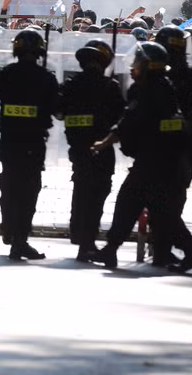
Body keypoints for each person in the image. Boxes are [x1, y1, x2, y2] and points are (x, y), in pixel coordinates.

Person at [88, 42, 192, 272]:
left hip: (155, 162)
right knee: (161, 212)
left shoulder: (150, 91)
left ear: (148, 66)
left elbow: (129, 121)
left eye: (137, 63)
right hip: (161, 161)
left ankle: (112, 250)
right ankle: (112, 251)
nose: (133, 67)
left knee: (132, 205)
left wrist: (104, 143)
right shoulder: (163, 87)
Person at [0, 28, 58, 261]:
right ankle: (20, 239)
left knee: (9, 187)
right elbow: (58, 110)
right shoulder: (47, 78)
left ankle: (8, 228)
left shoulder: (6, 74)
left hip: (9, 142)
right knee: (28, 192)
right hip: (34, 144)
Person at [55, 39, 125, 260]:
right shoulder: (110, 87)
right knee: (96, 195)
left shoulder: (72, 84)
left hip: (78, 149)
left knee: (81, 190)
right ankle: (86, 241)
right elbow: (120, 119)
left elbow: (58, 112)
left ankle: (79, 235)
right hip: (102, 151)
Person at [155, 24, 192, 266]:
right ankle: (163, 251)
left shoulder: (156, 76)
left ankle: (177, 251)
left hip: (157, 147)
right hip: (185, 148)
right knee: (173, 200)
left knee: (159, 201)